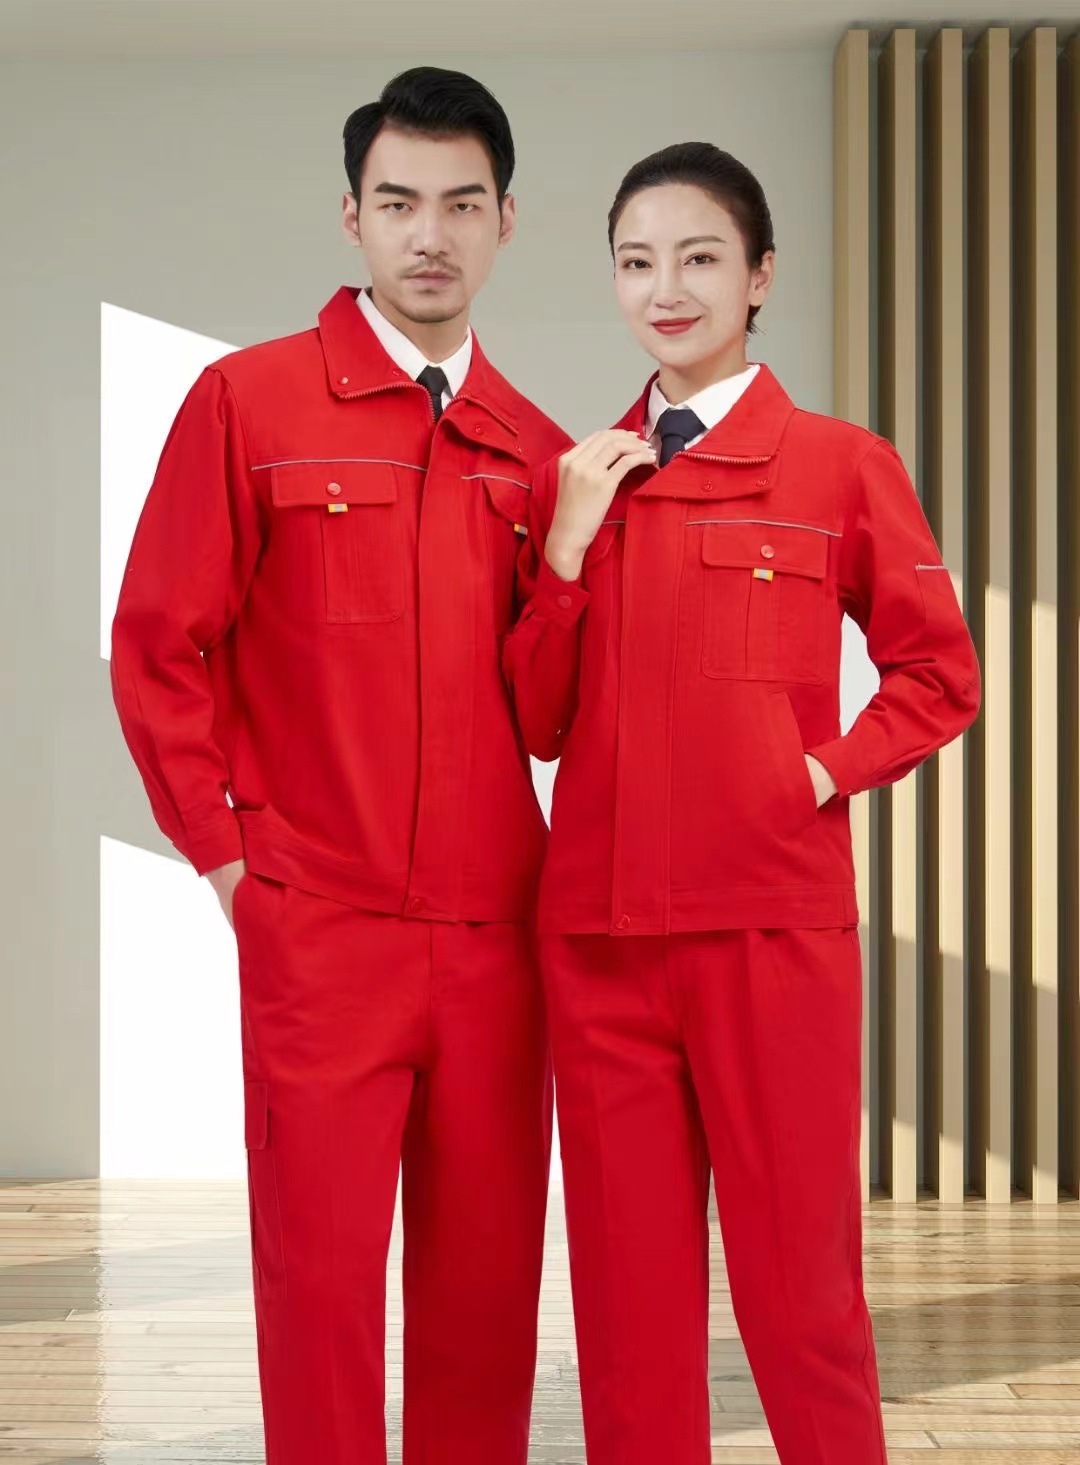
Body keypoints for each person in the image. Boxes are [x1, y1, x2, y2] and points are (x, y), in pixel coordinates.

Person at [110, 66, 572, 1465]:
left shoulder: (538, 455)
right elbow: (157, 644)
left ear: (506, 222)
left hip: (497, 940)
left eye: (462, 205)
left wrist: (567, 565)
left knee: (486, 1295)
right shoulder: (247, 403)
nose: (430, 235)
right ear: (353, 218)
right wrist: (230, 864)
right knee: (318, 1288)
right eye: (399, 202)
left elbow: (552, 719)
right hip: (320, 926)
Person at [501, 141, 981, 1465]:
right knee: (627, 1311)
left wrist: (816, 771)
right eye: (637, 262)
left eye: (699, 257)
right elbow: (537, 719)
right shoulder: (578, 479)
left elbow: (939, 673)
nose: (666, 289)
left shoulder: (838, 465)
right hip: (598, 943)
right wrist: (564, 549)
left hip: (771, 934)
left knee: (800, 1293)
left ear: (760, 276)